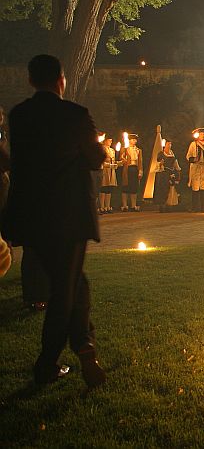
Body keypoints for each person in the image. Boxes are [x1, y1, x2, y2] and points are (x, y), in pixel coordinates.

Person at [0, 54, 107, 387]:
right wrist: (101, 150)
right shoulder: (75, 114)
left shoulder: (18, 116)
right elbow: (94, 159)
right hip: (69, 214)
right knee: (66, 287)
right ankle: (51, 362)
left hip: (32, 215)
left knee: (73, 281)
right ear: (61, 80)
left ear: (30, 81)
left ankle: (84, 345)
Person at [186, 128, 204, 213]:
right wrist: (193, 159)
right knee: (195, 187)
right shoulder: (193, 144)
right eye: (201, 134)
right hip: (196, 167)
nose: (202, 136)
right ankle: (195, 207)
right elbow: (188, 156)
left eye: (203, 134)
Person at [153, 139, 181, 212]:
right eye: (168, 144)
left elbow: (175, 164)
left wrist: (177, 170)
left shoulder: (172, 154)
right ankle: (162, 205)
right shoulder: (161, 154)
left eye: (170, 144)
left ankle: (169, 205)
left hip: (170, 173)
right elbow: (157, 164)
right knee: (162, 189)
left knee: (171, 189)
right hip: (163, 174)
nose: (169, 146)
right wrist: (161, 164)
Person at [120, 133, 143, 212]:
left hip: (135, 168)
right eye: (133, 139)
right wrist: (123, 158)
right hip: (127, 169)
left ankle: (133, 205)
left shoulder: (138, 150)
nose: (134, 141)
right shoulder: (125, 149)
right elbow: (121, 157)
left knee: (134, 187)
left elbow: (140, 162)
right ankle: (125, 205)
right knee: (125, 186)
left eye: (135, 139)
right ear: (129, 140)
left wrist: (140, 171)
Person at [98, 135, 118, 214]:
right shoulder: (102, 149)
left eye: (111, 140)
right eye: (109, 140)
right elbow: (101, 161)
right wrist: (109, 165)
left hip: (111, 171)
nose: (110, 142)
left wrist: (120, 163)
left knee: (109, 189)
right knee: (103, 188)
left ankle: (107, 206)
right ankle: (102, 207)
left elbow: (114, 161)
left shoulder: (112, 150)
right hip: (105, 170)